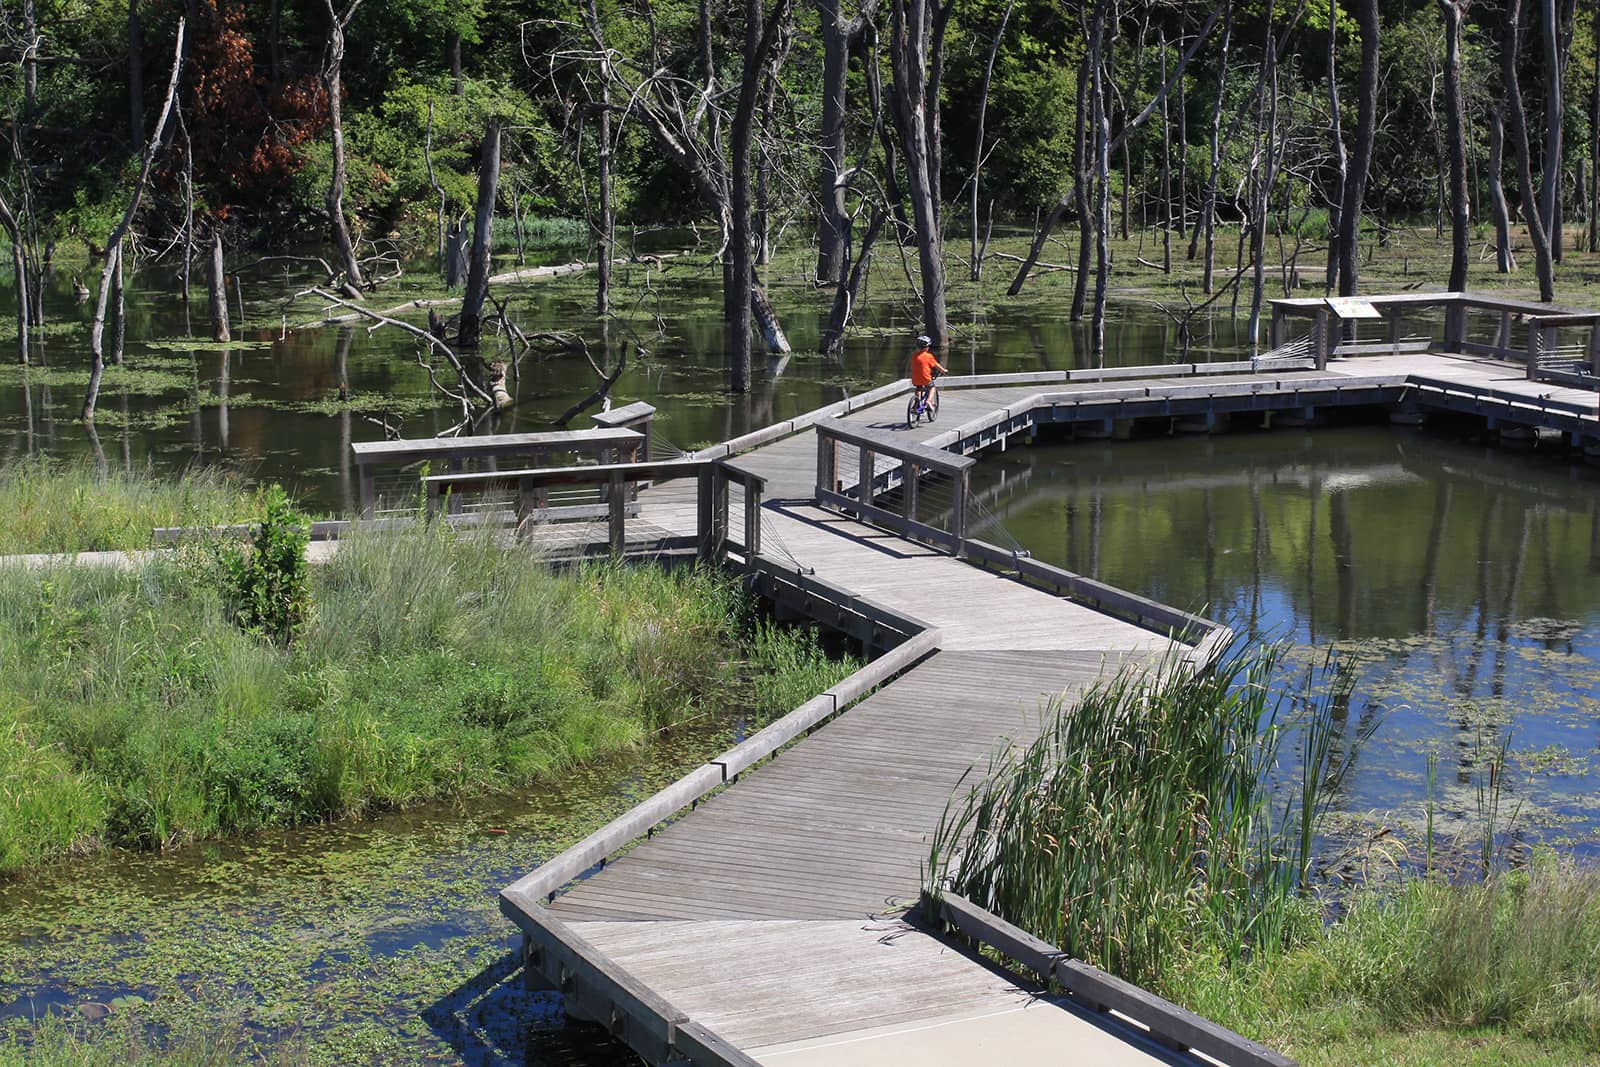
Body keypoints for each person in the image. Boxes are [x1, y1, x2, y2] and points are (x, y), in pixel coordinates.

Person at [907, 334, 947, 416]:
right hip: (925, 378)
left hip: (915, 378)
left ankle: (915, 405)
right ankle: (929, 401)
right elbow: (936, 365)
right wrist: (943, 371)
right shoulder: (928, 356)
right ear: (927, 347)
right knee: (932, 387)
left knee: (919, 388)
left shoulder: (914, 356)